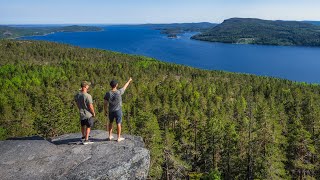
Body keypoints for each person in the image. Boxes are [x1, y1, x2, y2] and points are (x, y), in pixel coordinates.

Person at [104, 77, 132, 142]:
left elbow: (105, 103)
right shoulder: (119, 92)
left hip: (111, 111)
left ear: (111, 86)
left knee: (110, 123)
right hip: (118, 110)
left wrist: (105, 110)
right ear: (116, 85)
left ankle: (110, 136)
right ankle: (118, 137)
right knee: (118, 123)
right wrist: (129, 80)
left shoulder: (108, 93)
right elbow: (125, 86)